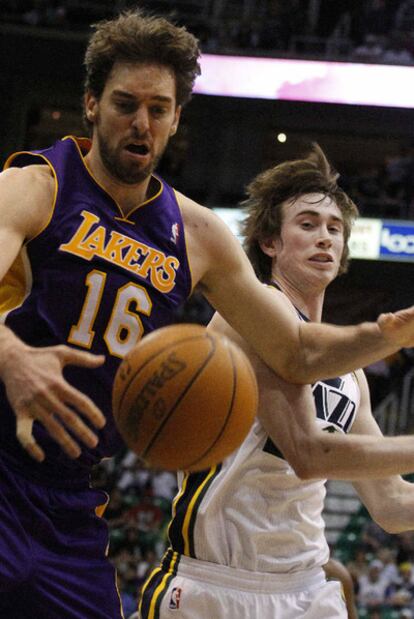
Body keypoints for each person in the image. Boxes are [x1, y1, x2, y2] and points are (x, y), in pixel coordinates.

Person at [0, 10, 414, 619]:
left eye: (159, 108)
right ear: (90, 104)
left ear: (176, 119)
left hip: (71, 500)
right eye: (125, 104)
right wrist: (11, 356)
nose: (141, 122)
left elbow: (297, 353)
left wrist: (389, 333)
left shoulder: (197, 235)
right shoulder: (35, 187)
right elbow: (307, 443)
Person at [139, 145, 414, 619]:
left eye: (333, 229)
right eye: (306, 225)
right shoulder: (243, 320)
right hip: (216, 585)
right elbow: (308, 453)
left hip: (306, 590)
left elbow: (389, 504)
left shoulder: (351, 376)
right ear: (270, 242)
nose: (324, 237)